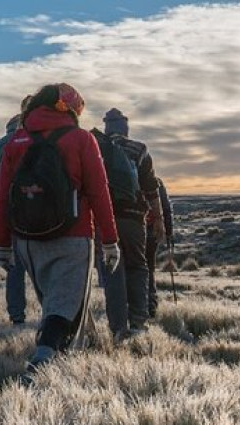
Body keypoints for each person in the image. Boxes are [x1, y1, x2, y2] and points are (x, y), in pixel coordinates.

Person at [0, 83, 119, 378]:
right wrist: (111, 240)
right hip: (72, 237)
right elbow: (99, 193)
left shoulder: (16, 142)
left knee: (54, 304)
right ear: (73, 109)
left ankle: (62, 363)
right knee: (62, 308)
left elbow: (3, 197)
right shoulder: (81, 140)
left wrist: (2, 244)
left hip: (27, 240)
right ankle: (42, 362)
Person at [95, 108, 164, 341]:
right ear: (125, 127)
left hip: (104, 220)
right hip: (134, 219)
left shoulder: (96, 147)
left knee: (112, 271)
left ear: (107, 127)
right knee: (138, 267)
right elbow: (151, 188)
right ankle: (139, 322)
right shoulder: (139, 149)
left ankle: (118, 328)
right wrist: (159, 219)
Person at [0, 95, 33, 325]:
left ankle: (16, 315)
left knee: (14, 269)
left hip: (9, 209)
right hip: (31, 206)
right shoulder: (25, 140)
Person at [147, 175, 173, 316]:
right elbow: (166, 208)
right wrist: (168, 231)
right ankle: (151, 304)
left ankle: (136, 305)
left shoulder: (129, 176)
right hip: (151, 231)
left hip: (136, 229)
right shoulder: (157, 182)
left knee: (133, 268)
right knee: (149, 268)